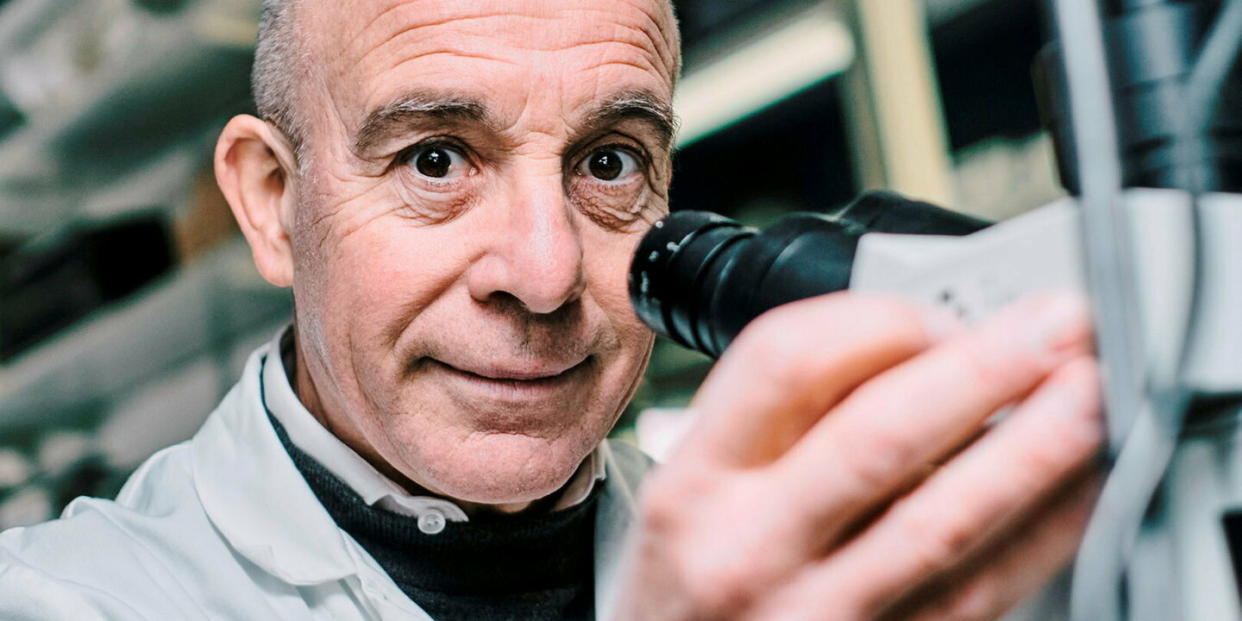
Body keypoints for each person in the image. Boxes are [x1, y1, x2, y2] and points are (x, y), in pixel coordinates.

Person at [0, 0, 1103, 619]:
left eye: (610, 161)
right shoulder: (68, 602)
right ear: (276, 205)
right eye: (437, 159)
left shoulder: (797, 566)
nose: (543, 271)